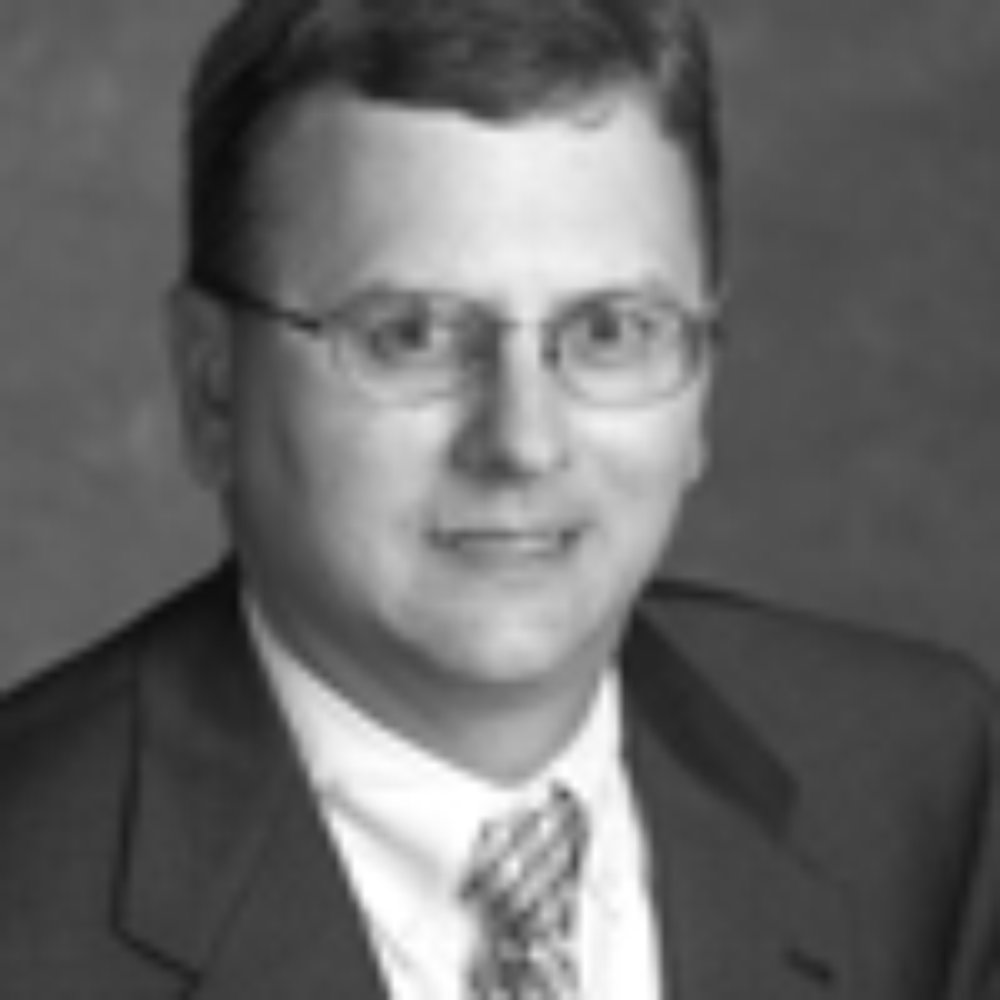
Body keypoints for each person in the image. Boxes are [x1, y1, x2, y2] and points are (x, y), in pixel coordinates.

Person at [0, 0, 997, 996]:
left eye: (610, 331)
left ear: (702, 377)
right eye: (411, 335)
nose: (523, 442)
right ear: (211, 384)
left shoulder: (911, 781)